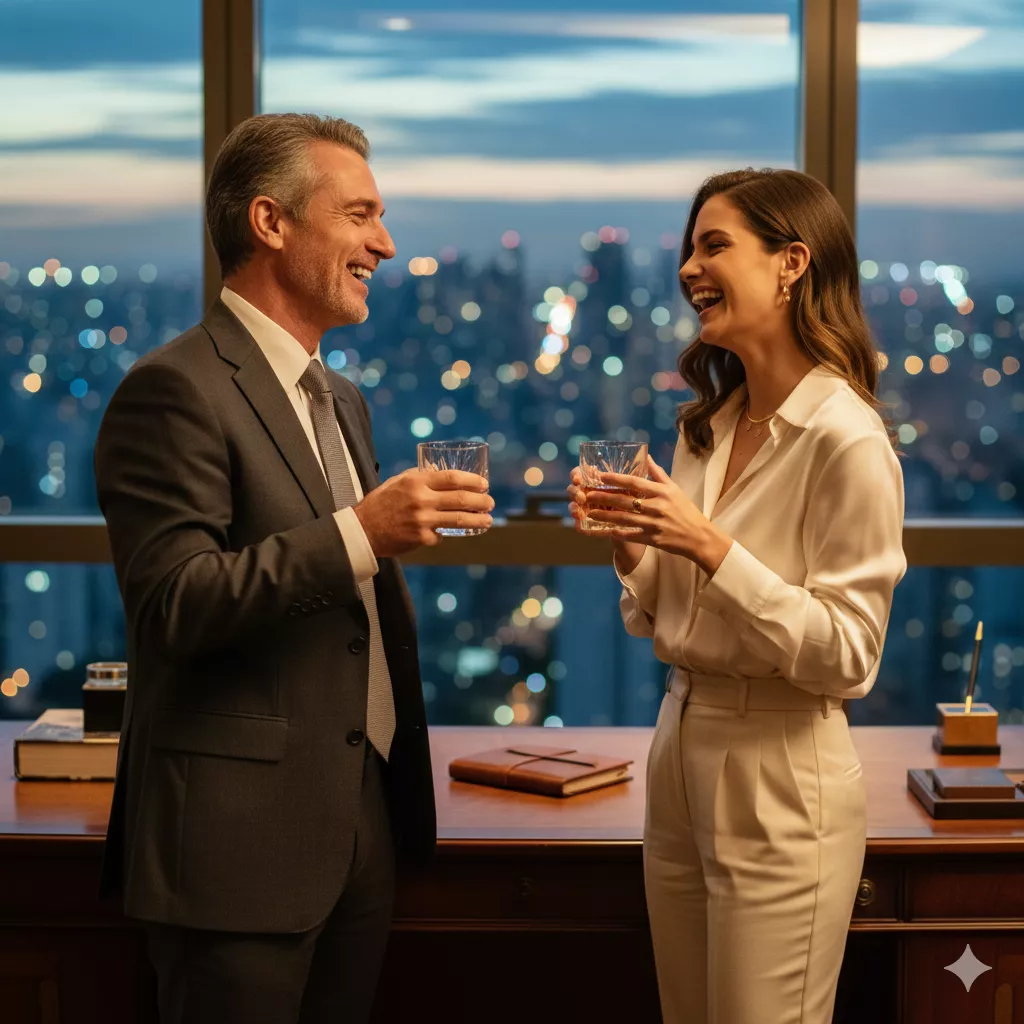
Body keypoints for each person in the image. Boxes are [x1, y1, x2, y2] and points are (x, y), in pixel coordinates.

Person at [95, 112, 493, 1024]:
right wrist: (362, 531)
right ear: (270, 224)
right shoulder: (174, 390)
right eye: (360, 215)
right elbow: (172, 604)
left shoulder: (340, 398)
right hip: (235, 852)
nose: (385, 244)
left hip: (356, 827)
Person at [568, 168, 906, 1024]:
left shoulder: (847, 438)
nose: (689, 266)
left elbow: (850, 655)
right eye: (689, 246)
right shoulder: (708, 428)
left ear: (792, 263)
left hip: (782, 767)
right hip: (679, 748)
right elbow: (661, 617)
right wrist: (636, 543)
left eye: (714, 244)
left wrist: (711, 545)